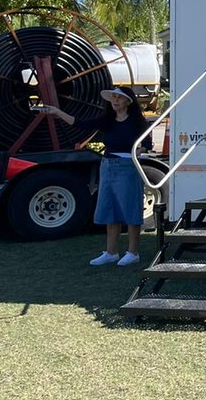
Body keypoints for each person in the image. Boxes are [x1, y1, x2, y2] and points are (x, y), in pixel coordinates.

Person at [44, 87, 153, 266]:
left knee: (131, 209)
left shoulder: (137, 122)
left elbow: (147, 144)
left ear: (128, 101)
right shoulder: (107, 120)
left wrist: (138, 150)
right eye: (113, 98)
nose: (115, 101)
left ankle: (133, 252)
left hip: (127, 167)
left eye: (119, 98)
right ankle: (111, 252)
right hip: (107, 166)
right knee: (109, 208)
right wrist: (57, 112)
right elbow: (79, 123)